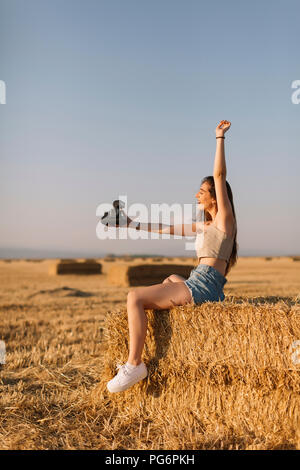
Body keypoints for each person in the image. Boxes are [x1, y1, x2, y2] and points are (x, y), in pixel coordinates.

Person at [107, 120, 238, 393]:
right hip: (199, 282)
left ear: (217, 196)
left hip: (203, 288)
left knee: (135, 297)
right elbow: (166, 229)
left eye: (202, 192)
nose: (196, 195)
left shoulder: (225, 221)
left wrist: (219, 138)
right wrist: (130, 223)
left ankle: (135, 364)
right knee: (169, 279)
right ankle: (137, 356)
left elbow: (219, 174)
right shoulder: (204, 226)